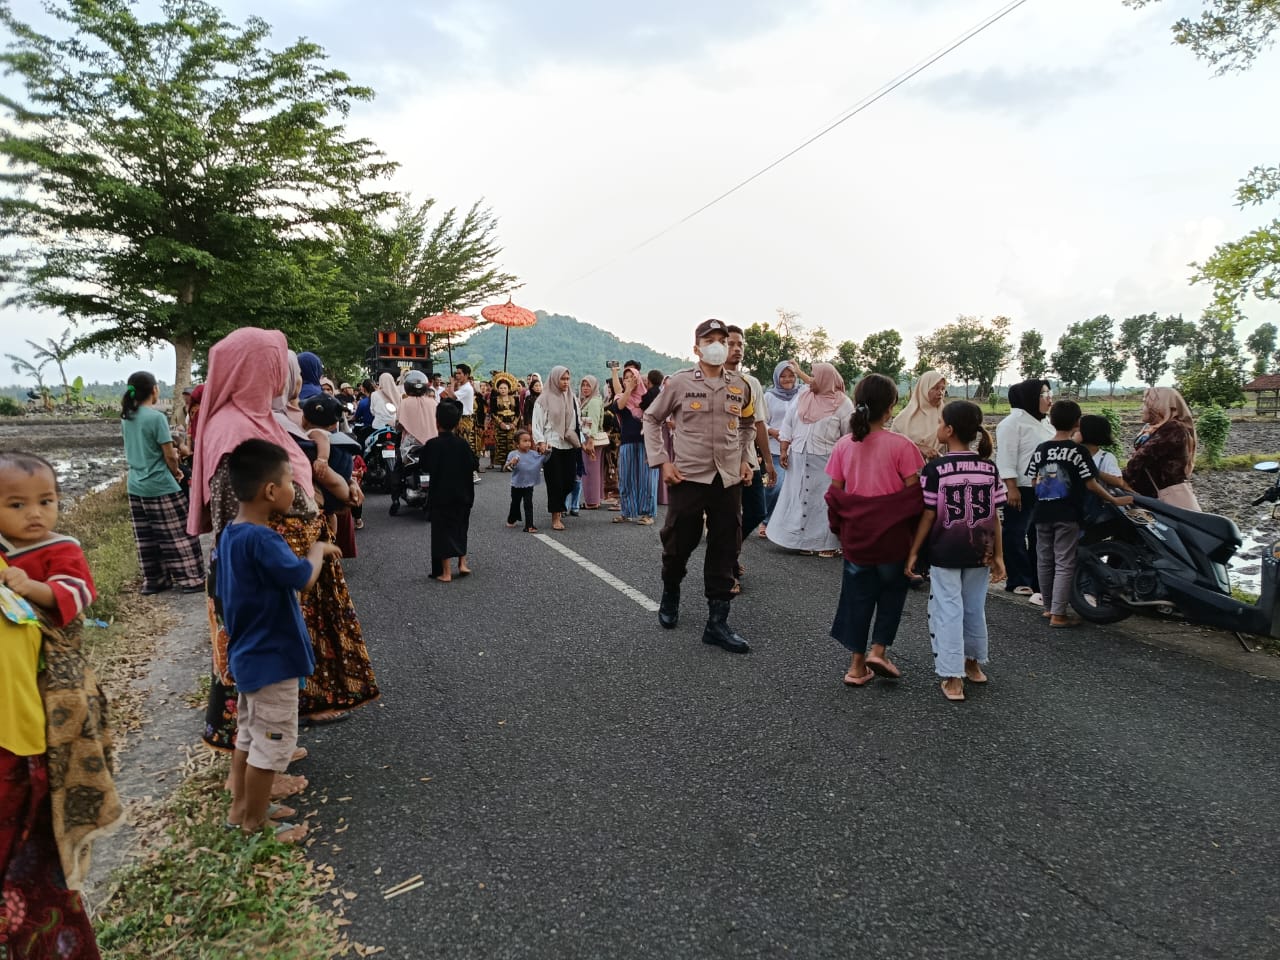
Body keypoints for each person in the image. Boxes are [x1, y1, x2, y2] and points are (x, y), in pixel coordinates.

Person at [190, 328, 378, 764]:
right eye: (275, 365)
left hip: (278, 567)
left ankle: (270, 750)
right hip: (265, 578)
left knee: (274, 683)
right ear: (255, 369)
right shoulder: (235, 430)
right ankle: (262, 770)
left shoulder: (255, 418)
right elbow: (234, 517)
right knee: (260, 683)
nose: (282, 375)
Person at [1, 452, 123, 960]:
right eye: (17, 504)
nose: (36, 514)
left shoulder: (61, 547)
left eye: (46, 502)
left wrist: (35, 589)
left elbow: (80, 592)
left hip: (51, 681)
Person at [218, 439, 341, 843]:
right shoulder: (264, 539)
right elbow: (302, 577)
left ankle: (242, 807)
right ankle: (257, 825)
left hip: (248, 655)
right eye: (291, 481)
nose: (294, 489)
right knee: (271, 743)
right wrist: (319, 550)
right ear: (271, 491)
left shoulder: (231, 534)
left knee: (249, 734)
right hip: (272, 659)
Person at [643, 318, 757, 653]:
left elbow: (748, 424)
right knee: (679, 542)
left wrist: (744, 459)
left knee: (726, 546)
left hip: (727, 480)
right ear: (697, 348)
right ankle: (671, 591)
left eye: (723, 339)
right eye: (710, 339)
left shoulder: (741, 385)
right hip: (688, 476)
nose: (718, 345)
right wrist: (662, 460)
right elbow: (651, 418)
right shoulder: (678, 383)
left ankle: (717, 624)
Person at [823, 374, 925, 685]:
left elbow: (835, 493)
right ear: (891, 407)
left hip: (857, 537)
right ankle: (878, 650)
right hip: (892, 539)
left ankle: (856, 666)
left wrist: (839, 527)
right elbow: (914, 496)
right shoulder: (902, 446)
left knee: (856, 597)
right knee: (892, 593)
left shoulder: (844, 445)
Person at [906, 401, 1005, 702]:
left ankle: (953, 677)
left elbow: (928, 514)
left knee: (948, 609)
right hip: (982, 550)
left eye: (939, 423)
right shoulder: (989, 467)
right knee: (974, 607)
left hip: (946, 549)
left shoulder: (936, 469)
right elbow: (995, 516)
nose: (937, 428)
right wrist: (999, 555)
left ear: (948, 430)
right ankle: (973, 665)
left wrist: (914, 551)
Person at [1027, 400, 1134, 628]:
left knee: (1045, 560)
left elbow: (1035, 481)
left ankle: (1048, 608)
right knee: (1065, 562)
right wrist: (1114, 499)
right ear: (1077, 423)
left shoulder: (1041, 449)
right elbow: (1091, 484)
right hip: (1067, 514)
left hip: (1041, 512)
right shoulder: (1078, 452)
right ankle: (1058, 614)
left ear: (1051, 420)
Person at [120, 370, 207, 595]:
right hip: (160, 483)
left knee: (147, 536)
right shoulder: (156, 417)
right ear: (154, 390)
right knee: (178, 533)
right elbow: (169, 455)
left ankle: (155, 580)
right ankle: (191, 579)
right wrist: (177, 472)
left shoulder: (126, 417)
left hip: (136, 484)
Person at [767, 362, 851, 557]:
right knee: (800, 498)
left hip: (826, 460)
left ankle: (827, 544)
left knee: (823, 502)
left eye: (815, 377)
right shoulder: (803, 396)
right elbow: (788, 422)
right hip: (798, 456)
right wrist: (784, 447)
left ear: (826, 380)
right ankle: (803, 541)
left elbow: (848, 435)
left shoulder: (843, 403)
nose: (810, 381)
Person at [995, 379, 1054, 602]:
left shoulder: (1046, 423)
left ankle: (1038, 581)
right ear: (1030, 397)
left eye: (1049, 393)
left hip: (1045, 487)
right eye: (1044, 394)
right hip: (1019, 487)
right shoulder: (1013, 423)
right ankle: (1018, 580)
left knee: (1039, 535)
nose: (1049, 398)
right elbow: (1006, 457)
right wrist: (1011, 487)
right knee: (1015, 532)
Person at [533, 366, 594, 532]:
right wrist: (540, 441)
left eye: (568, 379)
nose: (566, 382)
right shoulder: (543, 399)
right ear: (554, 379)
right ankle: (556, 516)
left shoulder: (572, 398)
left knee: (569, 480)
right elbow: (537, 423)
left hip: (569, 444)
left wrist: (585, 441)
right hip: (552, 444)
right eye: (562, 379)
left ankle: (560, 507)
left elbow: (578, 423)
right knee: (555, 482)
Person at [423, 400, 478, 581]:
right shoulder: (463, 444)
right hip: (463, 494)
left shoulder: (432, 444)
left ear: (437, 422)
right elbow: (474, 463)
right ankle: (462, 563)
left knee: (442, 532)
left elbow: (425, 466)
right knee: (462, 527)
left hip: (441, 496)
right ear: (457, 423)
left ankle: (446, 572)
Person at [1122, 387, 1201, 509]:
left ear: (1159, 406)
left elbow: (1143, 457)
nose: (1141, 408)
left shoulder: (1173, 429)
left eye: (1145, 404)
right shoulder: (1153, 427)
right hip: (1150, 493)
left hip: (1164, 496)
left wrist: (1118, 478)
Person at [609, 365, 654, 524]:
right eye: (626, 377)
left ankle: (647, 513)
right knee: (626, 478)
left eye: (631, 377)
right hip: (627, 441)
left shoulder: (647, 397)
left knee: (646, 479)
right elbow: (619, 407)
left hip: (646, 442)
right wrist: (628, 389)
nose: (628, 380)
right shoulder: (620, 397)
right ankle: (627, 511)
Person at [761, 361, 801, 538]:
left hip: (798, 449)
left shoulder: (802, 393)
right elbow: (760, 420)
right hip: (775, 449)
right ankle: (765, 520)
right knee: (776, 485)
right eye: (783, 376)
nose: (787, 379)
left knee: (797, 489)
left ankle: (786, 526)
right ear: (777, 377)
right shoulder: (769, 397)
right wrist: (772, 431)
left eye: (791, 375)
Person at [893, 370, 948, 461]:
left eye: (942, 389)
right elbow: (893, 447)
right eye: (935, 388)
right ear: (923, 388)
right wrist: (918, 448)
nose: (940, 393)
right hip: (909, 472)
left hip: (939, 471)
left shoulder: (945, 416)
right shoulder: (903, 419)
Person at [505, 429, 546, 532]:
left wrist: (546, 452)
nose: (528, 443)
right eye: (525, 441)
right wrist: (512, 463)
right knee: (515, 503)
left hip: (529, 484)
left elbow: (542, 459)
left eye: (529, 441)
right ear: (517, 444)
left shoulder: (533, 453)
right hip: (516, 484)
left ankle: (529, 525)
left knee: (528, 504)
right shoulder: (513, 454)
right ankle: (511, 519)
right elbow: (506, 468)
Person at [577, 375, 606, 510]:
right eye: (583, 385)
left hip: (590, 438)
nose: (585, 388)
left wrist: (590, 440)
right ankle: (595, 498)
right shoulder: (589, 400)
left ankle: (592, 501)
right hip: (588, 437)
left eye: (588, 385)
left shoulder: (593, 401)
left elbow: (593, 421)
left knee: (590, 470)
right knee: (593, 469)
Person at [397, 371, 439, 448]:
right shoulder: (433, 402)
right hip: (432, 442)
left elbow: (400, 424)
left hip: (411, 444)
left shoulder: (405, 402)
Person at [489, 373, 522, 469]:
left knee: (512, 443)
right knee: (501, 443)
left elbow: (518, 413)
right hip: (500, 424)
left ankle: (512, 463)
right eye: (501, 388)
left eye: (505, 388)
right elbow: (493, 413)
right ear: (497, 389)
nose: (503, 390)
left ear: (509, 388)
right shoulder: (495, 399)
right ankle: (503, 464)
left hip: (512, 423)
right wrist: (500, 423)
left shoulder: (515, 398)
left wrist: (514, 423)